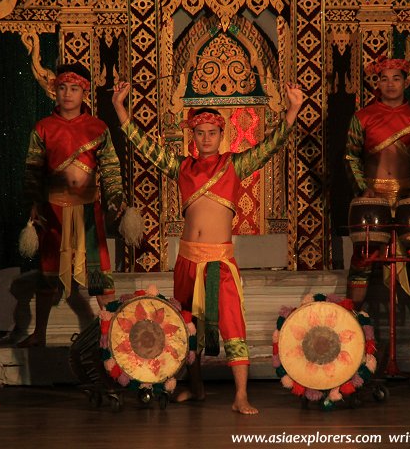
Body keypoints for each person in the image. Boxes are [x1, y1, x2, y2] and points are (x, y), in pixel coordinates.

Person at [111, 81, 304, 415]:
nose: (205, 138)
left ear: (221, 133)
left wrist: (293, 110)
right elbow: (146, 148)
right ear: (192, 136)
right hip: (187, 259)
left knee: (232, 326)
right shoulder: (182, 167)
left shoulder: (234, 165)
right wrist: (119, 109)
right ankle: (196, 387)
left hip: (219, 262)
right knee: (186, 325)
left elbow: (270, 147)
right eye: (199, 132)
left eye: (211, 132)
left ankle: (241, 394)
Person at [20, 63, 126, 348]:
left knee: (101, 279)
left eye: (74, 89)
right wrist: (34, 203)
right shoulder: (43, 128)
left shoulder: (98, 127)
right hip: (53, 212)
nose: (68, 94)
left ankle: (113, 337)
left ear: (84, 92)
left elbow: (111, 168)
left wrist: (116, 198)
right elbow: (33, 170)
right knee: (47, 276)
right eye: (63, 88)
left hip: (89, 212)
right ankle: (39, 333)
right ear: (55, 90)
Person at [344, 56, 410, 342]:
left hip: (407, 196)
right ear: (377, 83)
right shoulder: (362, 117)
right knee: (362, 260)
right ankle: (350, 324)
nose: (389, 84)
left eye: (395, 78)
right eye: (383, 78)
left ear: (405, 81)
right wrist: (363, 188)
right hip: (373, 197)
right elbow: (351, 155)